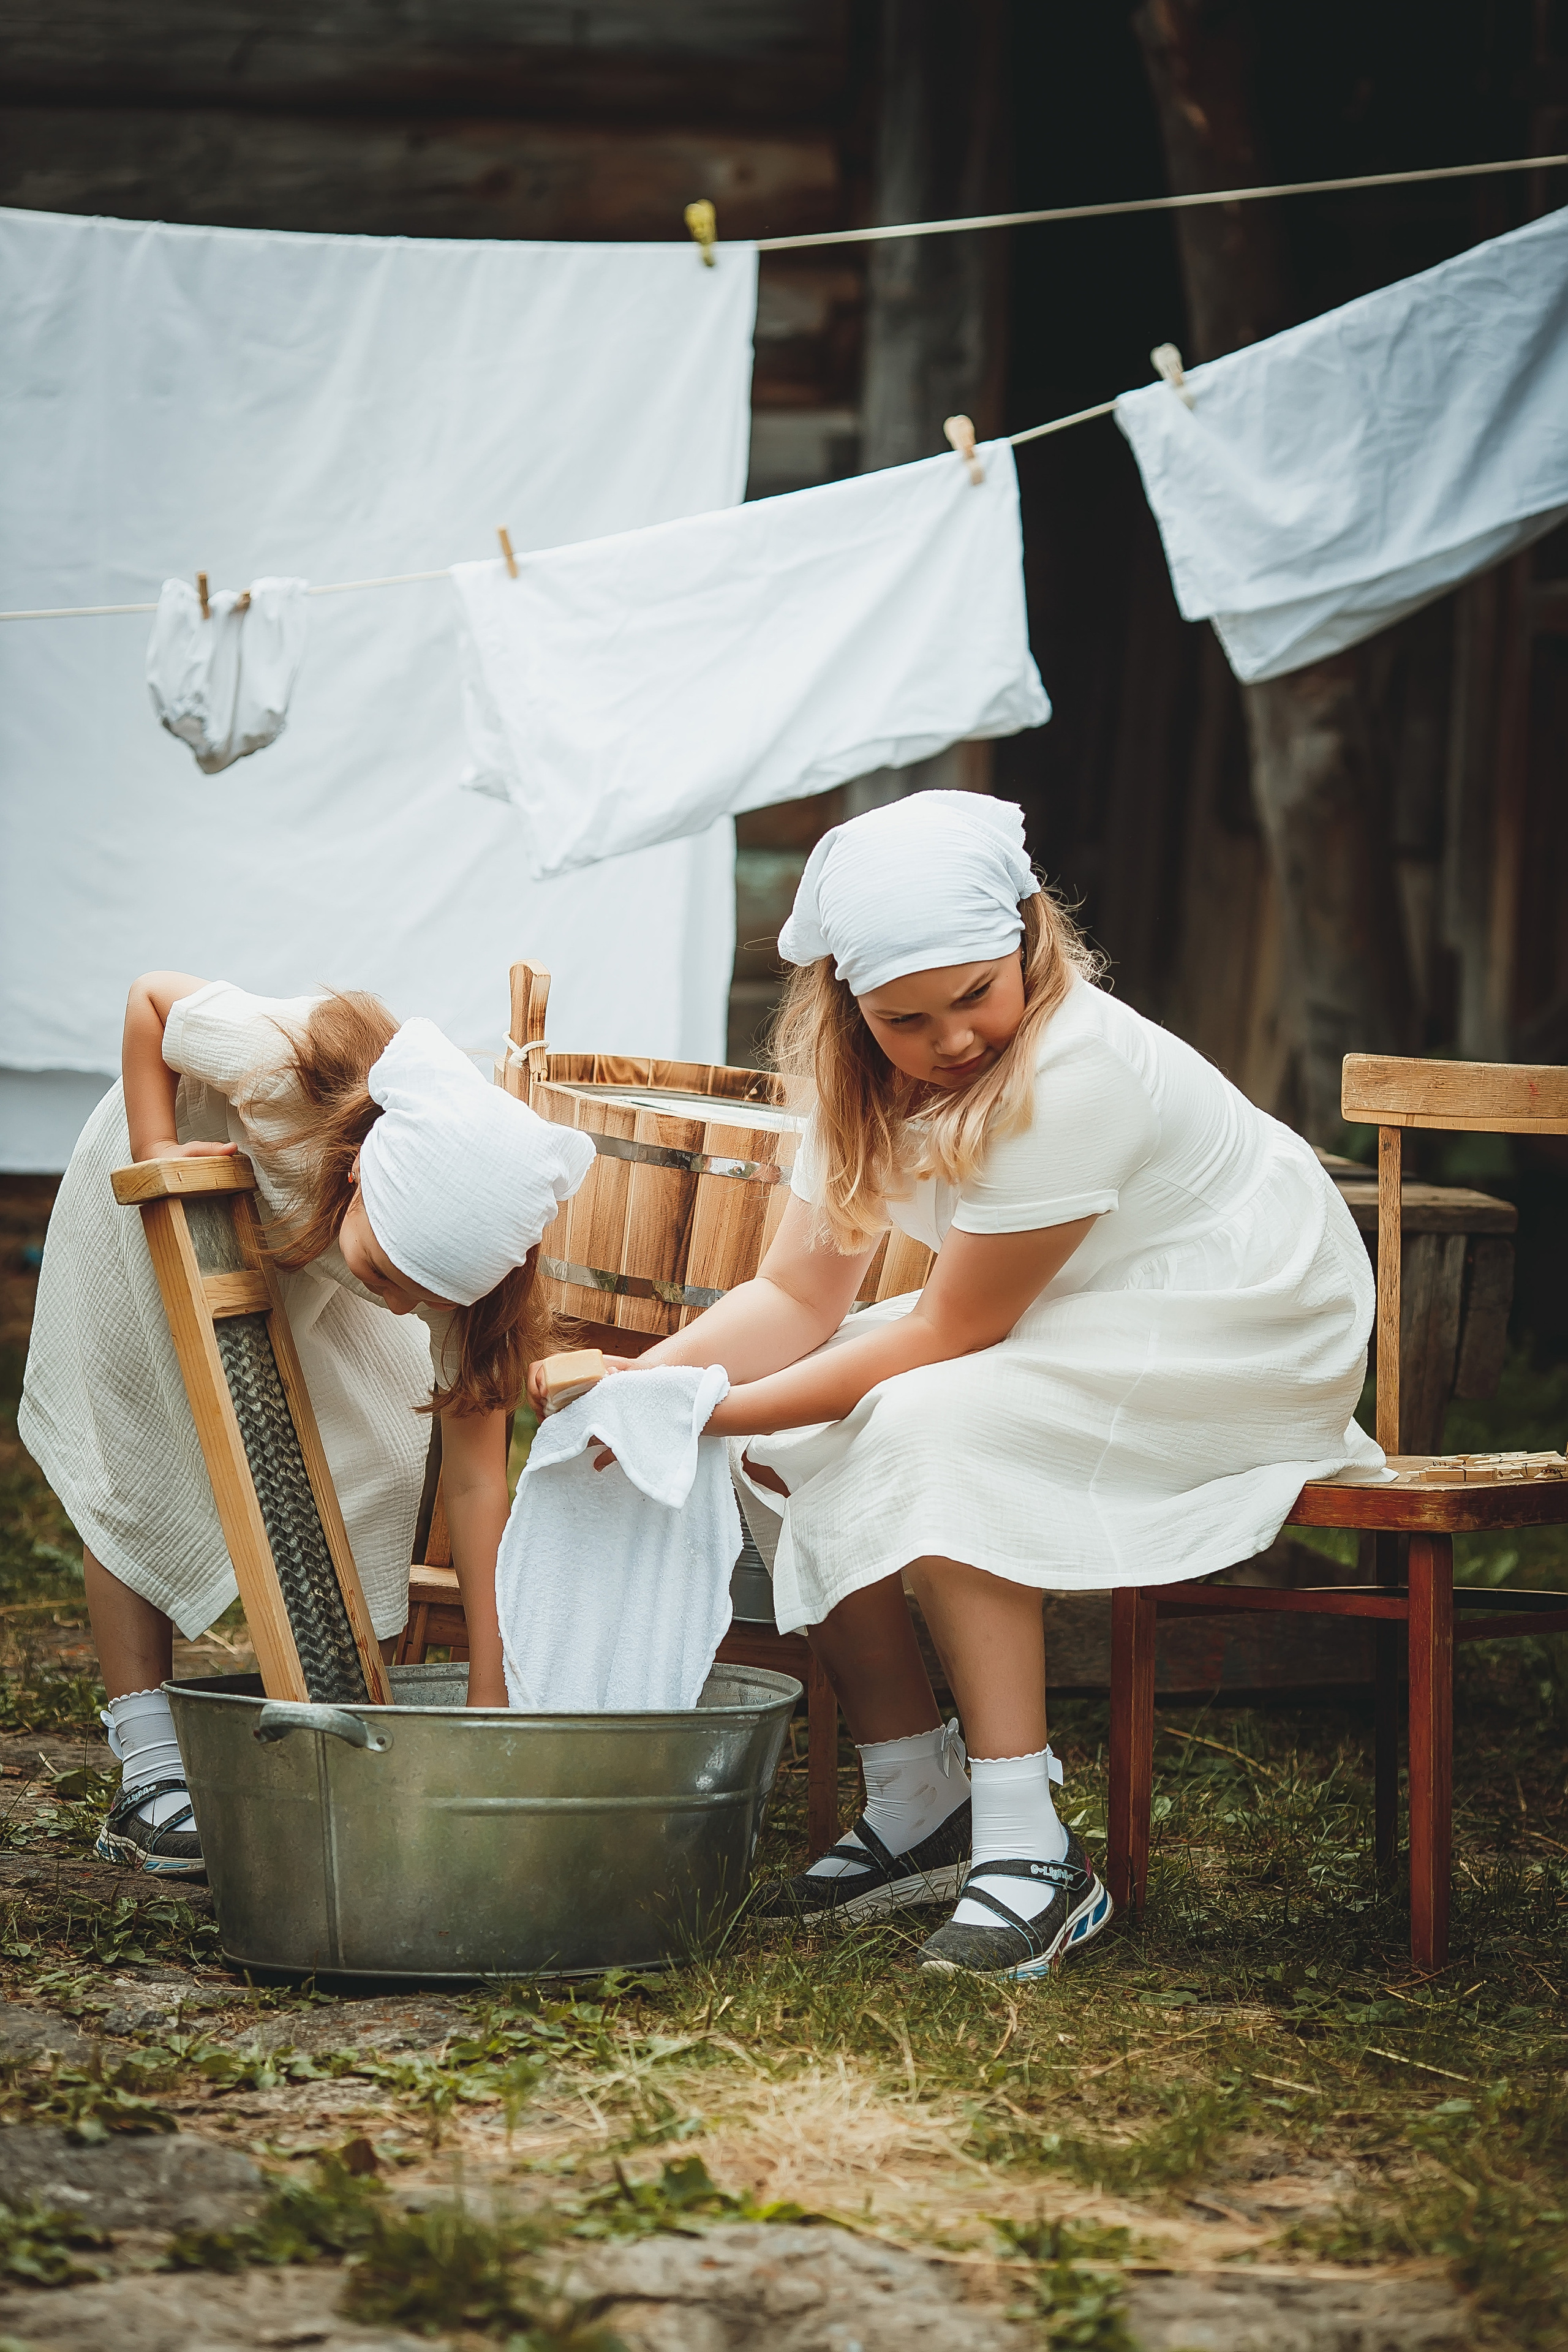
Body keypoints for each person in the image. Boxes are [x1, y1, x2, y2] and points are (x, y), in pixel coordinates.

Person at [532, 793, 1381, 1980]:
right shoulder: (855, 1081)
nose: (951, 1041)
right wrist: (644, 1385)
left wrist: (694, 1409)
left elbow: (949, 1331)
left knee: (932, 1421)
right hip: (1088, 1301)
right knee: (776, 1444)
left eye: (976, 995)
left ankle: (1034, 1852)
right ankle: (919, 1794)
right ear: (850, 1008)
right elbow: (796, 1297)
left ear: (1028, 942)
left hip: (1238, 1313)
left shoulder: (1074, 1071)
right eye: (905, 1019)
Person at [21, 975, 592, 1874]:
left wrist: (491, 1690)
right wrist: (156, 1151)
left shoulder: (467, 1268)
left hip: (296, 1237)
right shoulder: (280, 1067)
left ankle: (333, 1701)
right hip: (163, 1187)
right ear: (364, 1174)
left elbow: (479, 1482)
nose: (399, 1305)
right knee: (144, 1454)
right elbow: (151, 1002)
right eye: (390, 1278)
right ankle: (149, 1766)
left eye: (421, 1299)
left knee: (385, 1444)